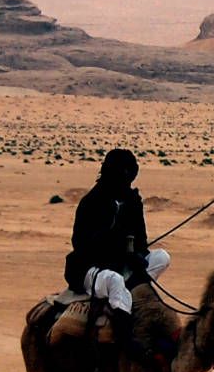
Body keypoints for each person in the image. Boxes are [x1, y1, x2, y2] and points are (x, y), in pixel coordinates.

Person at [65, 148, 170, 358]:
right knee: (114, 280)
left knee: (162, 257)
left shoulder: (132, 202)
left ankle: (132, 295)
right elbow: (80, 243)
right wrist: (117, 245)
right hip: (91, 268)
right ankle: (126, 341)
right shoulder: (91, 202)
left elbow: (141, 239)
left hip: (125, 264)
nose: (127, 181)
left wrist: (138, 255)